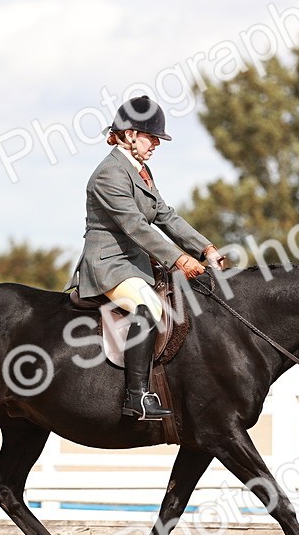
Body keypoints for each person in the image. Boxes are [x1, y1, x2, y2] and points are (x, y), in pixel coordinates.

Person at [65, 95, 225, 421]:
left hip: (134, 264)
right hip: (108, 265)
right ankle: (136, 397)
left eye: (156, 139)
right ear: (128, 135)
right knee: (151, 308)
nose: (156, 144)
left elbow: (165, 215)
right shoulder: (109, 174)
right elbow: (136, 226)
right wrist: (179, 259)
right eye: (151, 137)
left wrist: (205, 248)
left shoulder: (140, 171)